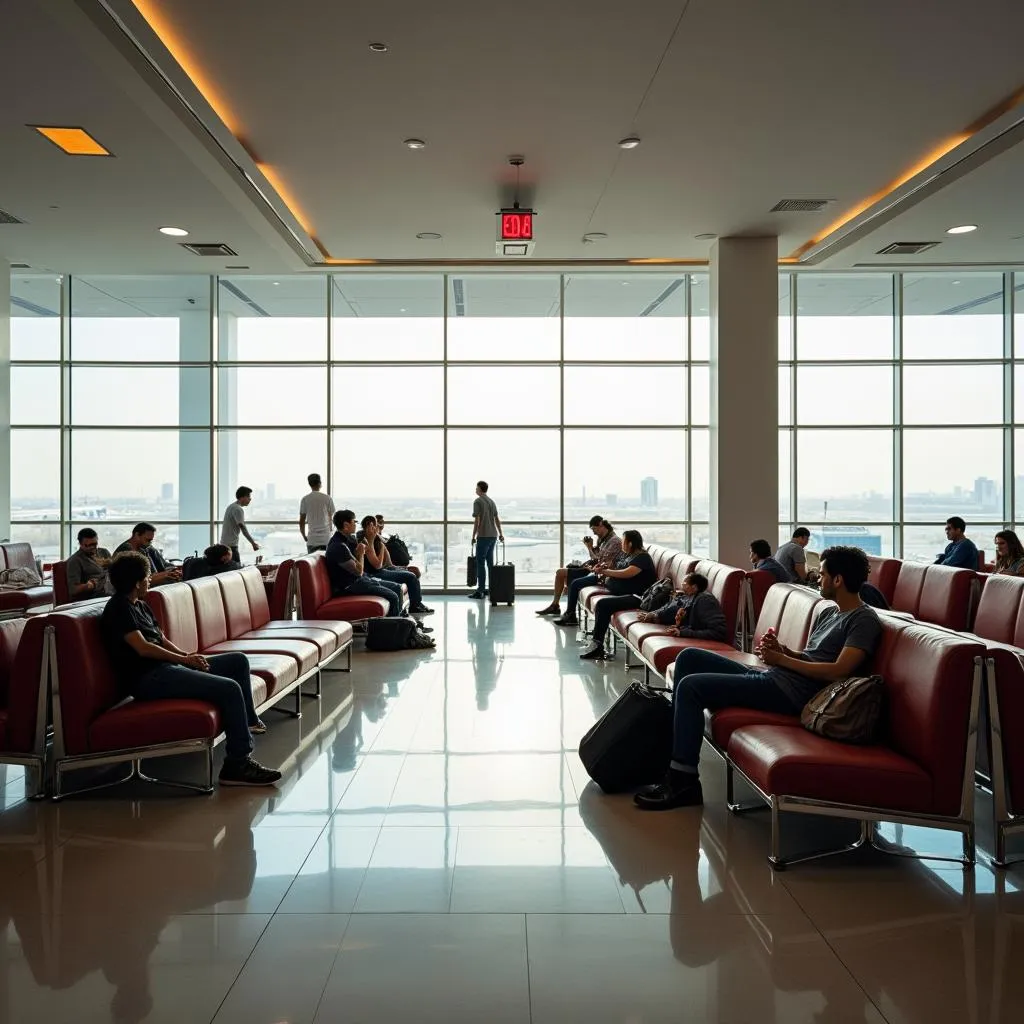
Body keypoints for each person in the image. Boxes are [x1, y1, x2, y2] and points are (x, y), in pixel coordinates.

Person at [634, 546, 881, 811]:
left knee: (691, 687)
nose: (817, 578)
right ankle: (673, 761)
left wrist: (783, 660)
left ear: (838, 580)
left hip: (794, 694)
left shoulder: (863, 619)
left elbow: (839, 671)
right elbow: (812, 656)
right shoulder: (830, 612)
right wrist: (782, 650)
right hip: (778, 677)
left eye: (822, 574)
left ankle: (683, 781)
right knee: (689, 657)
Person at [99, 551, 281, 787]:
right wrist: (183, 661)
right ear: (137, 582)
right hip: (149, 679)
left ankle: (248, 722)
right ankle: (237, 763)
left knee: (237, 661)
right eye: (147, 577)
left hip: (166, 668)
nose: (150, 580)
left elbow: (161, 639)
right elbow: (143, 648)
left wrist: (187, 657)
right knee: (229, 689)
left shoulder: (140, 605)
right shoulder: (118, 609)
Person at [580, 530, 658, 660]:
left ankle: (597, 645)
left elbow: (627, 573)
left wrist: (606, 572)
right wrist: (605, 567)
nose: (622, 544)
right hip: (626, 592)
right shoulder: (629, 555)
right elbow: (618, 568)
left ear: (631, 543)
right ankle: (597, 643)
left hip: (638, 597)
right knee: (603, 604)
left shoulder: (643, 558)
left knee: (603, 604)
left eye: (623, 542)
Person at [325, 510, 406, 617]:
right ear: (346, 525)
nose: (355, 524)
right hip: (350, 586)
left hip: (361, 580)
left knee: (396, 587)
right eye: (354, 522)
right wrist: (361, 553)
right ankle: (394, 630)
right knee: (393, 596)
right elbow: (358, 571)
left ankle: (403, 623)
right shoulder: (338, 546)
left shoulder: (347, 540)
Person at [537, 516, 622, 616]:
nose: (593, 532)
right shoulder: (602, 539)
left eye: (594, 529)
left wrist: (589, 548)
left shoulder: (614, 541)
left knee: (571, 580)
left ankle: (569, 613)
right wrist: (591, 548)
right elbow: (597, 558)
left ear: (601, 525)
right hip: (593, 569)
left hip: (601, 574)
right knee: (560, 572)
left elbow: (599, 561)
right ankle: (555, 605)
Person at [358, 514, 433, 614]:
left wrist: (399, 568)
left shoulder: (376, 538)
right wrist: (381, 546)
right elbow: (377, 565)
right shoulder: (366, 541)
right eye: (375, 525)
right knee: (410, 576)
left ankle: (417, 603)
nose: (377, 528)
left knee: (413, 572)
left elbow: (389, 563)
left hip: (383, 569)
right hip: (375, 574)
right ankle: (414, 606)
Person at [635, 573, 729, 642]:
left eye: (684, 584)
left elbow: (718, 632)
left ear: (694, 587)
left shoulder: (705, 601)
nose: (682, 586)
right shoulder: (687, 597)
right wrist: (653, 614)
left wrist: (682, 633)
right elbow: (669, 608)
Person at [114, 523, 182, 586]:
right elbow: (137, 580)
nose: (149, 543)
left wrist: (171, 572)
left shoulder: (146, 548)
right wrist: (166, 575)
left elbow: (161, 568)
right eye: (148, 540)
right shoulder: (125, 552)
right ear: (137, 535)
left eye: (151, 541)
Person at [469, 481, 504, 600]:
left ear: (480, 489)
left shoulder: (477, 501)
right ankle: (491, 589)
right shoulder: (491, 502)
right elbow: (496, 519)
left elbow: (477, 521)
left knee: (480, 563)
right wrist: (501, 534)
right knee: (490, 563)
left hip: (483, 535)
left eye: (476, 488)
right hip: (493, 535)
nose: (475, 489)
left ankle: (480, 591)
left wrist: (473, 536)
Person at [65, 527, 112, 600]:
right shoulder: (75, 560)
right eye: (88, 545)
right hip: (95, 595)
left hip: (111, 587)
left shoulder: (104, 552)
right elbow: (73, 589)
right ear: (80, 544)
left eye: (95, 544)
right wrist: (88, 585)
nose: (93, 547)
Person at [220, 486, 260, 564]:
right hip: (231, 547)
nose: (250, 499)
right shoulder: (238, 509)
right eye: (248, 496)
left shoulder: (231, 506)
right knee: (235, 570)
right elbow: (242, 527)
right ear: (242, 497)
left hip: (225, 545)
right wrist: (253, 543)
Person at [376, 514, 421, 578]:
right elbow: (380, 565)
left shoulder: (384, 537)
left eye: (381, 523)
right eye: (378, 523)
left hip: (394, 563)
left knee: (415, 570)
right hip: (389, 566)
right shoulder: (376, 539)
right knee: (413, 574)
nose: (380, 525)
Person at [299, 473, 335, 553]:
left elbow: (301, 521)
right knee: (326, 564)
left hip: (312, 539)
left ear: (309, 484)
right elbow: (330, 517)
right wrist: (330, 531)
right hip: (326, 539)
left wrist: (304, 535)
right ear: (320, 483)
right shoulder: (327, 498)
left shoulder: (305, 499)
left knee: (313, 564)